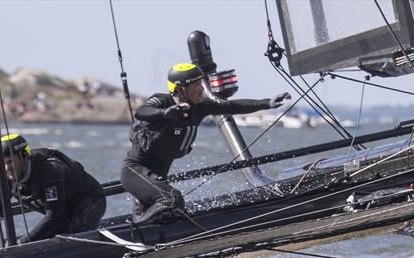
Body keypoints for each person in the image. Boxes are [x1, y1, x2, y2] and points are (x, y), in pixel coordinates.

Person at [121, 63, 291, 222]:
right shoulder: (162, 101)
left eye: (201, 83)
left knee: (174, 206)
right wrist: (166, 113)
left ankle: (150, 225)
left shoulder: (201, 106)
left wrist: (267, 103)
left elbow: (232, 106)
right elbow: (141, 111)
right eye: (196, 85)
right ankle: (140, 230)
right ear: (180, 89)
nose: (202, 88)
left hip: (156, 179)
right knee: (172, 199)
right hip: (134, 171)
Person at [1, 133, 106, 244]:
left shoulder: (50, 170)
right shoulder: (7, 175)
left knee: (76, 233)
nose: (7, 168)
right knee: (50, 236)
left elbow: (53, 216)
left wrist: (24, 242)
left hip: (91, 200)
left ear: (24, 156)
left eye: (10, 162)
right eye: (3, 163)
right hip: (63, 213)